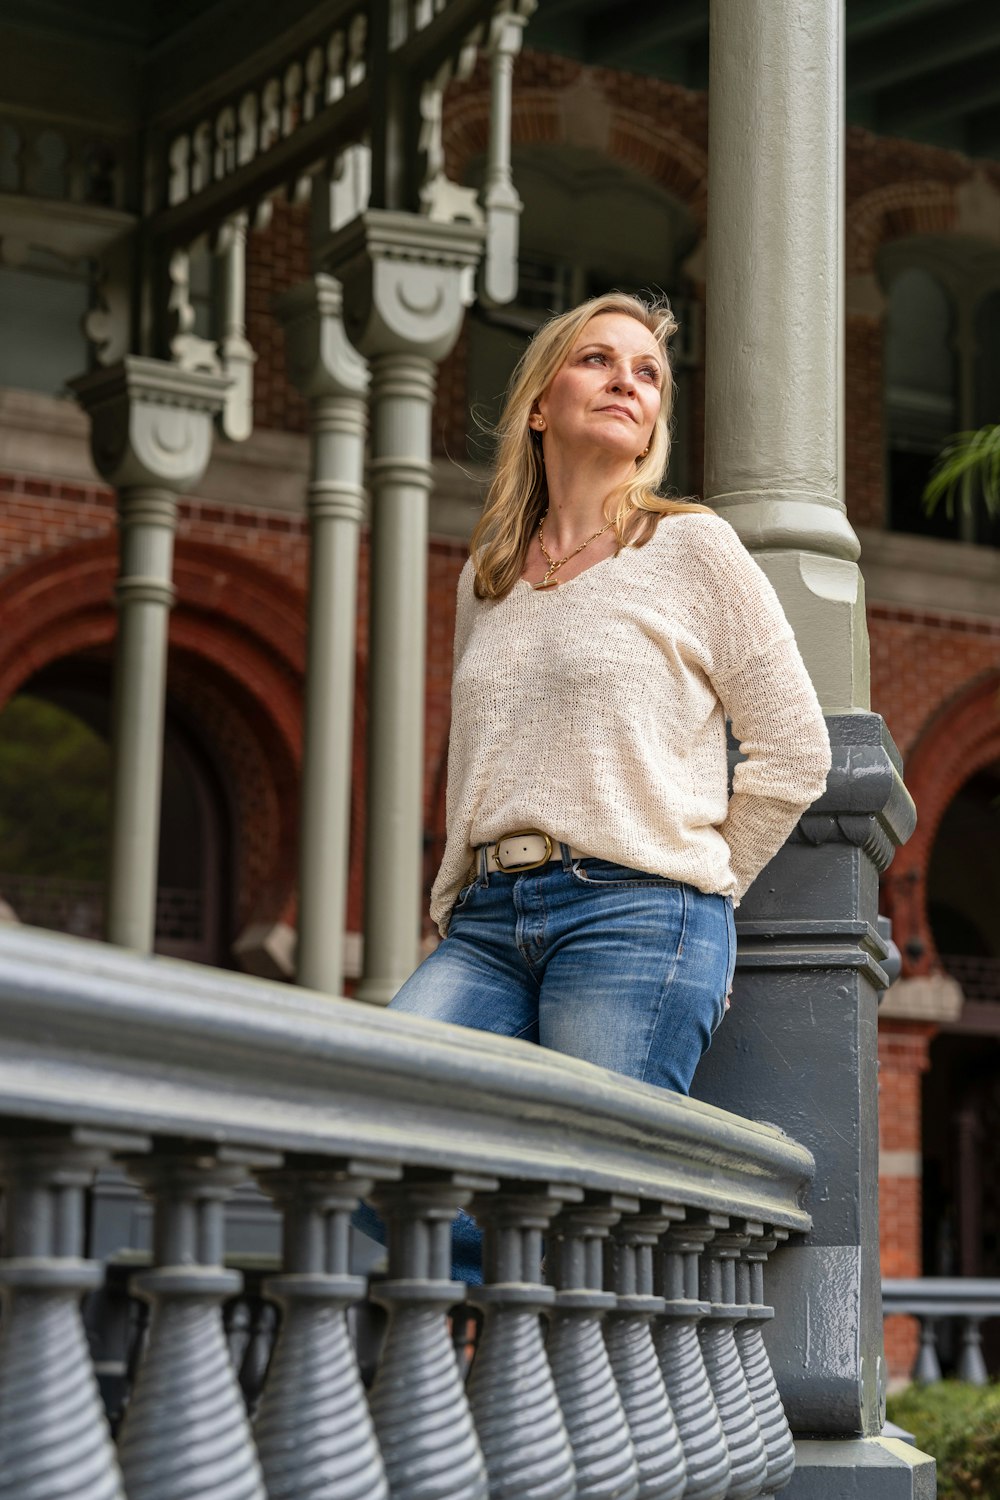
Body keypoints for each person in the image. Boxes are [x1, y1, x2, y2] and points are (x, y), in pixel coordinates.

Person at [353, 292, 830, 1278]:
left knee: (589, 1192)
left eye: (646, 372)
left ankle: (568, 1304)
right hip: (487, 924)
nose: (626, 381)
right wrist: (449, 901)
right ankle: (555, 1264)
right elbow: (474, 757)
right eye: (596, 361)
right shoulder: (487, 575)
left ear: (656, 418)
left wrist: (701, 891)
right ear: (538, 403)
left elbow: (795, 751)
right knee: (363, 1144)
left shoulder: (690, 546)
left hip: (637, 919)